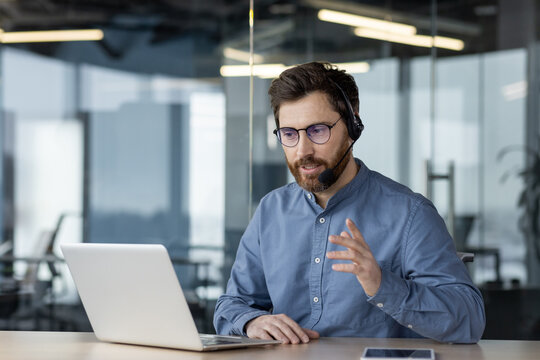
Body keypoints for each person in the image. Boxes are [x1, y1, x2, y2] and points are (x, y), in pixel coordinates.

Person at [213, 61, 485, 344]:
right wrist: (252, 321)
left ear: (353, 125)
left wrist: (382, 285)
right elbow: (231, 305)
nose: (303, 150)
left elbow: (470, 320)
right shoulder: (271, 211)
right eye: (289, 134)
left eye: (317, 131)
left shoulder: (410, 214)